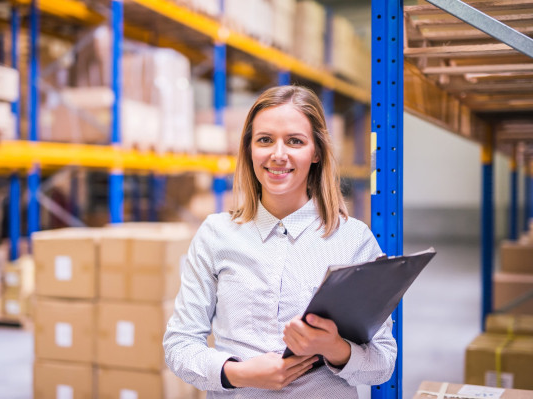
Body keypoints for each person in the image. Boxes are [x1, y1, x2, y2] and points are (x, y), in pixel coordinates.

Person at [163, 85, 397, 398]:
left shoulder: (353, 240)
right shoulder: (215, 234)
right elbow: (179, 344)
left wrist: (336, 349)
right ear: (249, 149)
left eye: (295, 141)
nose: (278, 154)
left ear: (316, 152)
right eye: (265, 140)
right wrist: (237, 372)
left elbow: (383, 363)